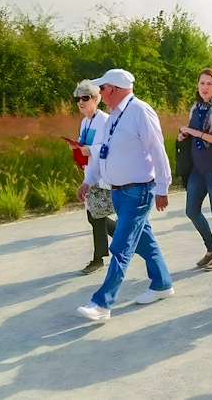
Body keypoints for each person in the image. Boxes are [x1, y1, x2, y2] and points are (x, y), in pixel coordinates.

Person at [75, 68, 175, 321]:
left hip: (138, 192)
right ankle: (162, 285)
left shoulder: (140, 111)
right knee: (145, 241)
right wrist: (88, 181)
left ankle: (101, 304)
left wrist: (163, 188)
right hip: (119, 193)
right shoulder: (113, 117)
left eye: (102, 89)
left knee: (120, 246)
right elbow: (103, 152)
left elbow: (158, 150)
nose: (99, 94)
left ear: (113, 90)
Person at [178, 68, 212, 271]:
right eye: (202, 83)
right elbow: (194, 133)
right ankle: (210, 249)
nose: (204, 87)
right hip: (197, 167)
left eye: (209, 84)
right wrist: (184, 136)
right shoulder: (197, 107)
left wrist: (195, 132)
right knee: (191, 211)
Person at [70, 80, 116, 275]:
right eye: (78, 98)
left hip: (102, 174)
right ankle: (129, 237)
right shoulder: (85, 122)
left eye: (85, 98)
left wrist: (89, 150)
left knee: (95, 216)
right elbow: (85, 146)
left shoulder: (105, 120)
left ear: (96, 99)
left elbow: (108, 147)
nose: (81, 102)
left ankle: (99, 259)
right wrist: (76, 147)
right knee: (95, 216)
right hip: (90, 173)